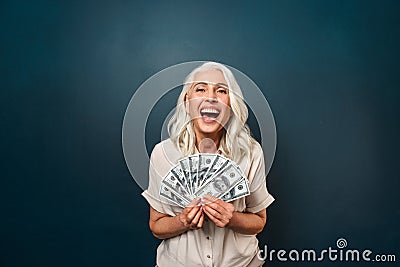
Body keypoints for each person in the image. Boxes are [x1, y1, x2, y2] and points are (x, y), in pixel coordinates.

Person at [142, 62, 275, 266]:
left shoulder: (251, 153)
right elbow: (156, 226)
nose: (211, 97)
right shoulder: (163, 154)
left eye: (221, 91)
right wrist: (183, 221)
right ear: (187, 102)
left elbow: (259, 221)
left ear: (231, 105)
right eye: (201, 88)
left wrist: (233, 219)